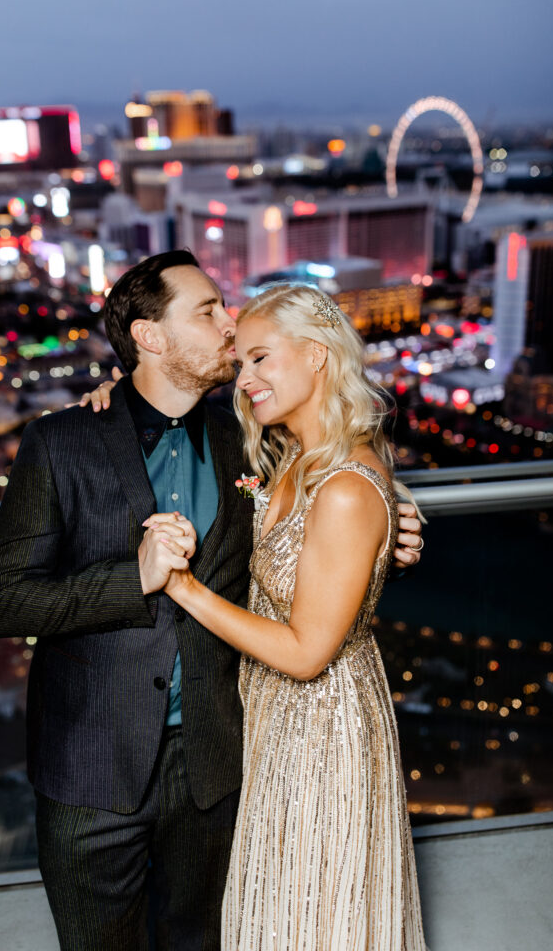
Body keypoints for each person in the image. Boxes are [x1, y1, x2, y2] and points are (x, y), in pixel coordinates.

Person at [0, 251, 423, 951]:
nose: (228, 323)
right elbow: (3, 603)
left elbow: (323, 517)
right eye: (209, 311)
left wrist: (391, 529)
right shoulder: (59, 442)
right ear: (150, 338)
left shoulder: (250, 442)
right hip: (91, 770)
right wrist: (137, 577)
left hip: (219, 763)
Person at [138, 284, 428, 950]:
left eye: (261, 359)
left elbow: (304, 653)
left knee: (317, 912)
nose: (244, 381)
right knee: (281, 905)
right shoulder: (286, 459)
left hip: (325, 727)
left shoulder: (346, 487)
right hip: (273, 718)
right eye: (240, 364)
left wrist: (181, 588)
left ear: (318, 355)